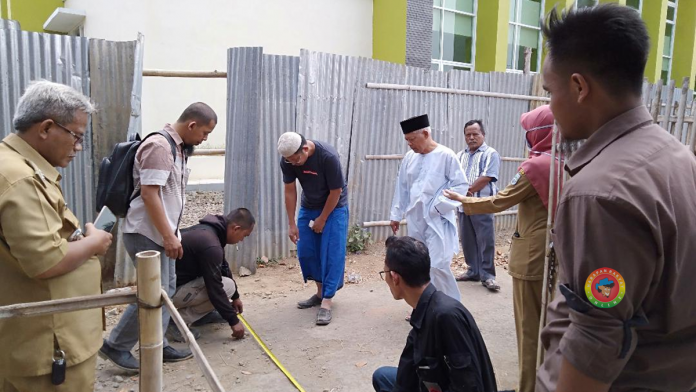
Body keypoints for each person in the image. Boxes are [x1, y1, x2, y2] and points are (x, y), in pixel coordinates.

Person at [536, 5, 696, 391]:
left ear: (579, 87)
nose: (549, 108)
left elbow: (598, 336)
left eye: (549, 92)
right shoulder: (676, 156)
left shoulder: (600, 193)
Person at [0, 80, 113, 391]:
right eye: (76, 136)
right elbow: (46, 262)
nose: (78, 147)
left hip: (31, 336)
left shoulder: (14, 165)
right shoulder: (21, 178)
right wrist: (94, 242)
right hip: (48, 345)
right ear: (47, 128)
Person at [445, 105, 559, 392]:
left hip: (532, 255)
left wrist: (462, 198)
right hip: (555, 251)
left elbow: (500, 200)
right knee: (549, 321)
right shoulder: (564, 160)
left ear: (536, 134)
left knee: (529, 327)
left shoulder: (535, 166)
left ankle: (529, 386)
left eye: (527, 132)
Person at [100, 103, 217, 372]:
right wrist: (168, 235)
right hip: (146, 233)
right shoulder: (160, 147)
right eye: (205, 132)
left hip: (158, 233)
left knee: (166, 289)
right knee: (155, 292)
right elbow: (150, 194)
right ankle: (117, 345)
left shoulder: (177, 149)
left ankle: (158, 341)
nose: (205, 139)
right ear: (191, 125)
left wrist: (172, 233)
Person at [372, 236, 498, 392]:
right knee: (382, 377)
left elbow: (469, 385)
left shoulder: (446, 316)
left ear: (395, 277)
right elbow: (407, 373)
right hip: (436, 382)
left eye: (384, 273)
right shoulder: (423, 309)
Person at [390, 114, 468, 301]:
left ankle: (451, 305)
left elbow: (460, 186)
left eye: (412, 139)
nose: (409, 144)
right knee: (419, 264)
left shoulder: (446, 155)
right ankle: (423, 304)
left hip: (438, 220)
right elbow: (402, 188)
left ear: (425, 133)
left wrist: (438, 206)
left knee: (438, 265)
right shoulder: (410, 157)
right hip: (415, 219)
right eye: (407, 140)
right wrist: (396, 214)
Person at [278, 132, 349, 325]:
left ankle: (327, 302)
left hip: (335, 207)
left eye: (296, 160)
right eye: (289, 161)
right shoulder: (288, 161)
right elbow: (290, 190)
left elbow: (336, 191)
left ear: (306, 149)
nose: (294, 164)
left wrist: (323, 218)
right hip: (309, 206)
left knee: (331, 252)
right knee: (307, 250)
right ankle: (319, 292)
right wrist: (292, 224)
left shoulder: (328, 157)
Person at [170, 209, 255, 341]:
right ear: (236, 229)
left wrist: (235, 297)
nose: (242, 240)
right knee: (226, 287)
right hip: (169, 293)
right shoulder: (211, 244)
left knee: (229, 287)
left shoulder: (210, 231)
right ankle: (174, 321)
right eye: (244, 235)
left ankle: (203, 316)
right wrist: (233, 321)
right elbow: (214, 287)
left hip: (173, 286)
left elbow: (222, 266)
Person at [455, 119, 501, 291]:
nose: (472, 137)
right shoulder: (460, 155)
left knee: (485, 240)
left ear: (483, 135)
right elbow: (454, 177)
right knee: (467, 239)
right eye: (468, 134)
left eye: (476, 134)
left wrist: (467, 192)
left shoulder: (491, 154)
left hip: (482, 203)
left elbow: (487, 176)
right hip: (463, 204)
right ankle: (473, 271)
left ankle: (488, 276)